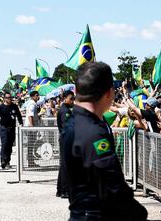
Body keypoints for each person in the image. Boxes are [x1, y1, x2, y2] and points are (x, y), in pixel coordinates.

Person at [62, 62, 147, 220]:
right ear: (109, 93)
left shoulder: (73, 123)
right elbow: (112, 184)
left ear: (76, 90)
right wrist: (139, 213)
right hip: (96, 215)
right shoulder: (93, 131)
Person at [0, 92, 23, 169]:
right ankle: (3, 161)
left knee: (10, 146)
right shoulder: (0, 107)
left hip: (12, 128)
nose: (9, 99)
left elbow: (19, 115)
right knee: (4, 144)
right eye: (8, 98)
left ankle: (7, 160)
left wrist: (21, 123)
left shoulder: (14, 106)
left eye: (10, 97)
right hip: (3, 128)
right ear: (4, 99)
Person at [56, 90, 75, 199]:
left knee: (64, 165)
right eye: (71, 98)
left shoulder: (67, 109)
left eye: (73, 98)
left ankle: (60, 189)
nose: (73, 100)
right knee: (65, 165)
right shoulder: (65, 111)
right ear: (64, 99)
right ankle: (63, 190)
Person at [24, 90, 41, 168]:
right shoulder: (32, 104)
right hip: (30, 128)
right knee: (30, 145)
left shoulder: (33, 103)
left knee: (31, 144)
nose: (38, 97)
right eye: (37, 95)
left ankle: (31, 161)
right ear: (33, 96)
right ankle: (30, 162)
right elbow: (30, 115)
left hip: (31, 127)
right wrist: (32, 126)